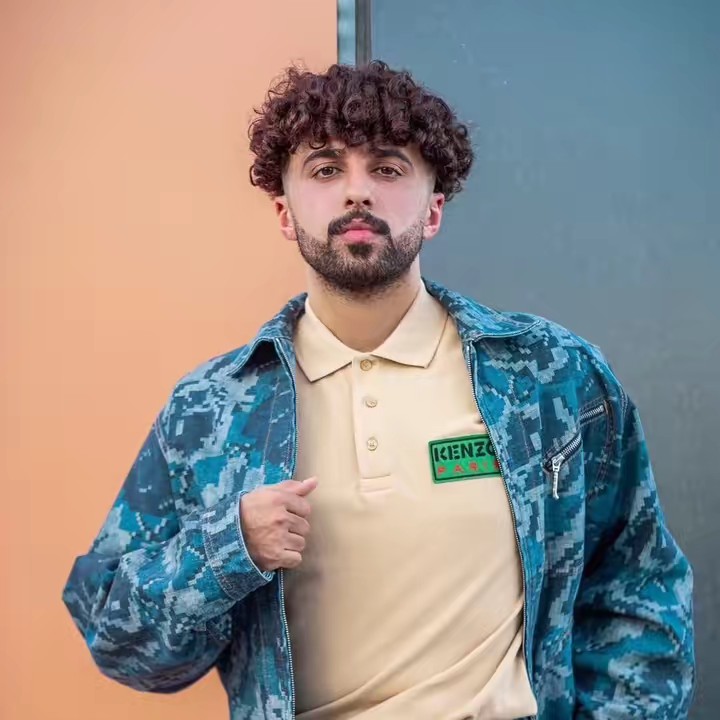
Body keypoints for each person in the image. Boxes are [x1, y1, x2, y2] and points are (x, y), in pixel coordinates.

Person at [63, 61, 695, 720]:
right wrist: (230, 548)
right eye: (325, 170)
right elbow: (121, 645)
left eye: (388, 169)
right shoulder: (211, 411)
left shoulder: (548, 376)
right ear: (284, 212)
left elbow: (639, 588)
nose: (357, 192)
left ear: (433, 210)